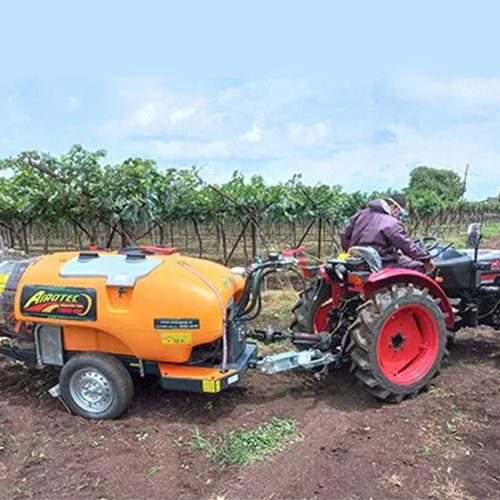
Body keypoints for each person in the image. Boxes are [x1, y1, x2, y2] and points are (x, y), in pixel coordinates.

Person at [340, 194, 435, 273]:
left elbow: (344, 234)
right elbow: (408, 246)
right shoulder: (391, 223)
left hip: (358, 262)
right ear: (395, 207)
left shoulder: (361, 214)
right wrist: (427, 260)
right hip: (383, 262)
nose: (400, 216)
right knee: (418, 266)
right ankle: (410, 293)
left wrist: (351, 251)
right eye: (401, 212)